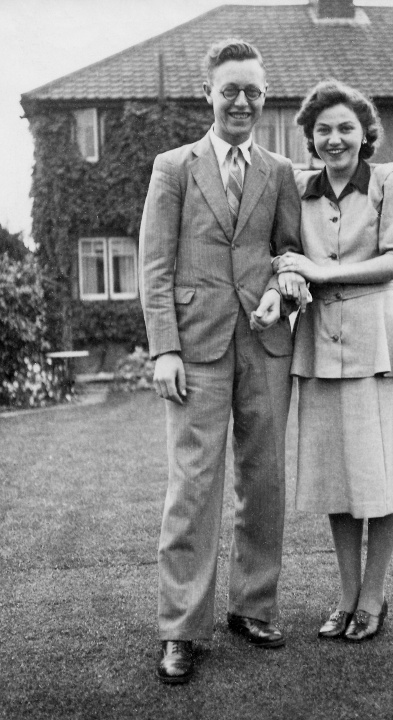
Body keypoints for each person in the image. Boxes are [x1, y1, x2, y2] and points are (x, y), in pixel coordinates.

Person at [139, 38, 306, 684]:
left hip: (264, 346)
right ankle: (181, 628)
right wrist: (165, 349)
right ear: (207, 93)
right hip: (197, 349)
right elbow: (155, 268)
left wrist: (279, 295)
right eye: (230, 89)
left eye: (253, 92)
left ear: (265, 99)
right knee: (194, 487)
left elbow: (289, 257)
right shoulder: (173, 168)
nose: (242, 101)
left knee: (264, 481)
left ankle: (254, 607)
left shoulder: (280, 172)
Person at [277, 79, 393, 643]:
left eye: (345, 128)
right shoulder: (297, 187)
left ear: (365, 134)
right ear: (310, 139)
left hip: (378, 341)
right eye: (323, 130)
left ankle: (374, 596)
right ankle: (345, 596)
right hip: (318, 344)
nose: (335, 139)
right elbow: (281, 249)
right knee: (338, 479)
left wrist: (319, 271)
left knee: (382, 474)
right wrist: (288, 274)